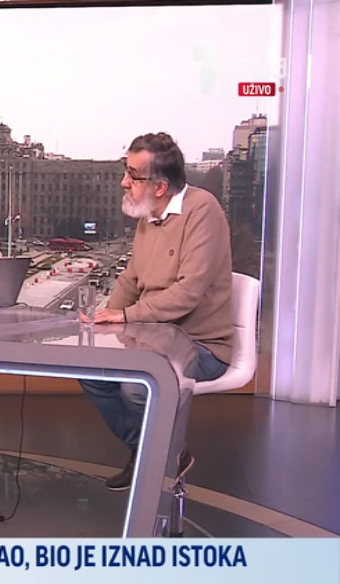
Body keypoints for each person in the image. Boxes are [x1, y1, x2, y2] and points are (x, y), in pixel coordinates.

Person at [80, 132, 232, 491]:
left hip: (200, 343)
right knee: (90, 370)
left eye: (133, 175)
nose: (124, 182)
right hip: (149, 338)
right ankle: (150, 450)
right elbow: (131, 279)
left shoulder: (202, 211)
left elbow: (187, 294)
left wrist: (126, 316)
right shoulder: (148, 217)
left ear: (160, 187)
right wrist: (105, 315)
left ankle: (163, 455)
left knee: (137, 388)